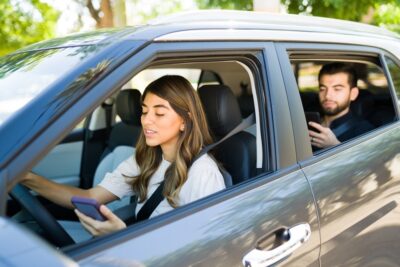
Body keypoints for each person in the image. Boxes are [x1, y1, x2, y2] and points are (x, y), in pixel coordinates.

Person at [21, 75, 225, 236]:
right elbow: (90, 197)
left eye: (159, 113)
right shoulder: (145, 159)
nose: (147, 121)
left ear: (184, 120)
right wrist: (27, 178)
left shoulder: (203, 173)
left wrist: (121, 235)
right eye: (145, 111)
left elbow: (201, 247)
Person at [308, 62, 374, 150]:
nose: (327, 95)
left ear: (353, 94)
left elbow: (368, 162)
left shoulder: (365, 131)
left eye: (337, 89)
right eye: (322, 89)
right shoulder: (307, 123)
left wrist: (334, 146)